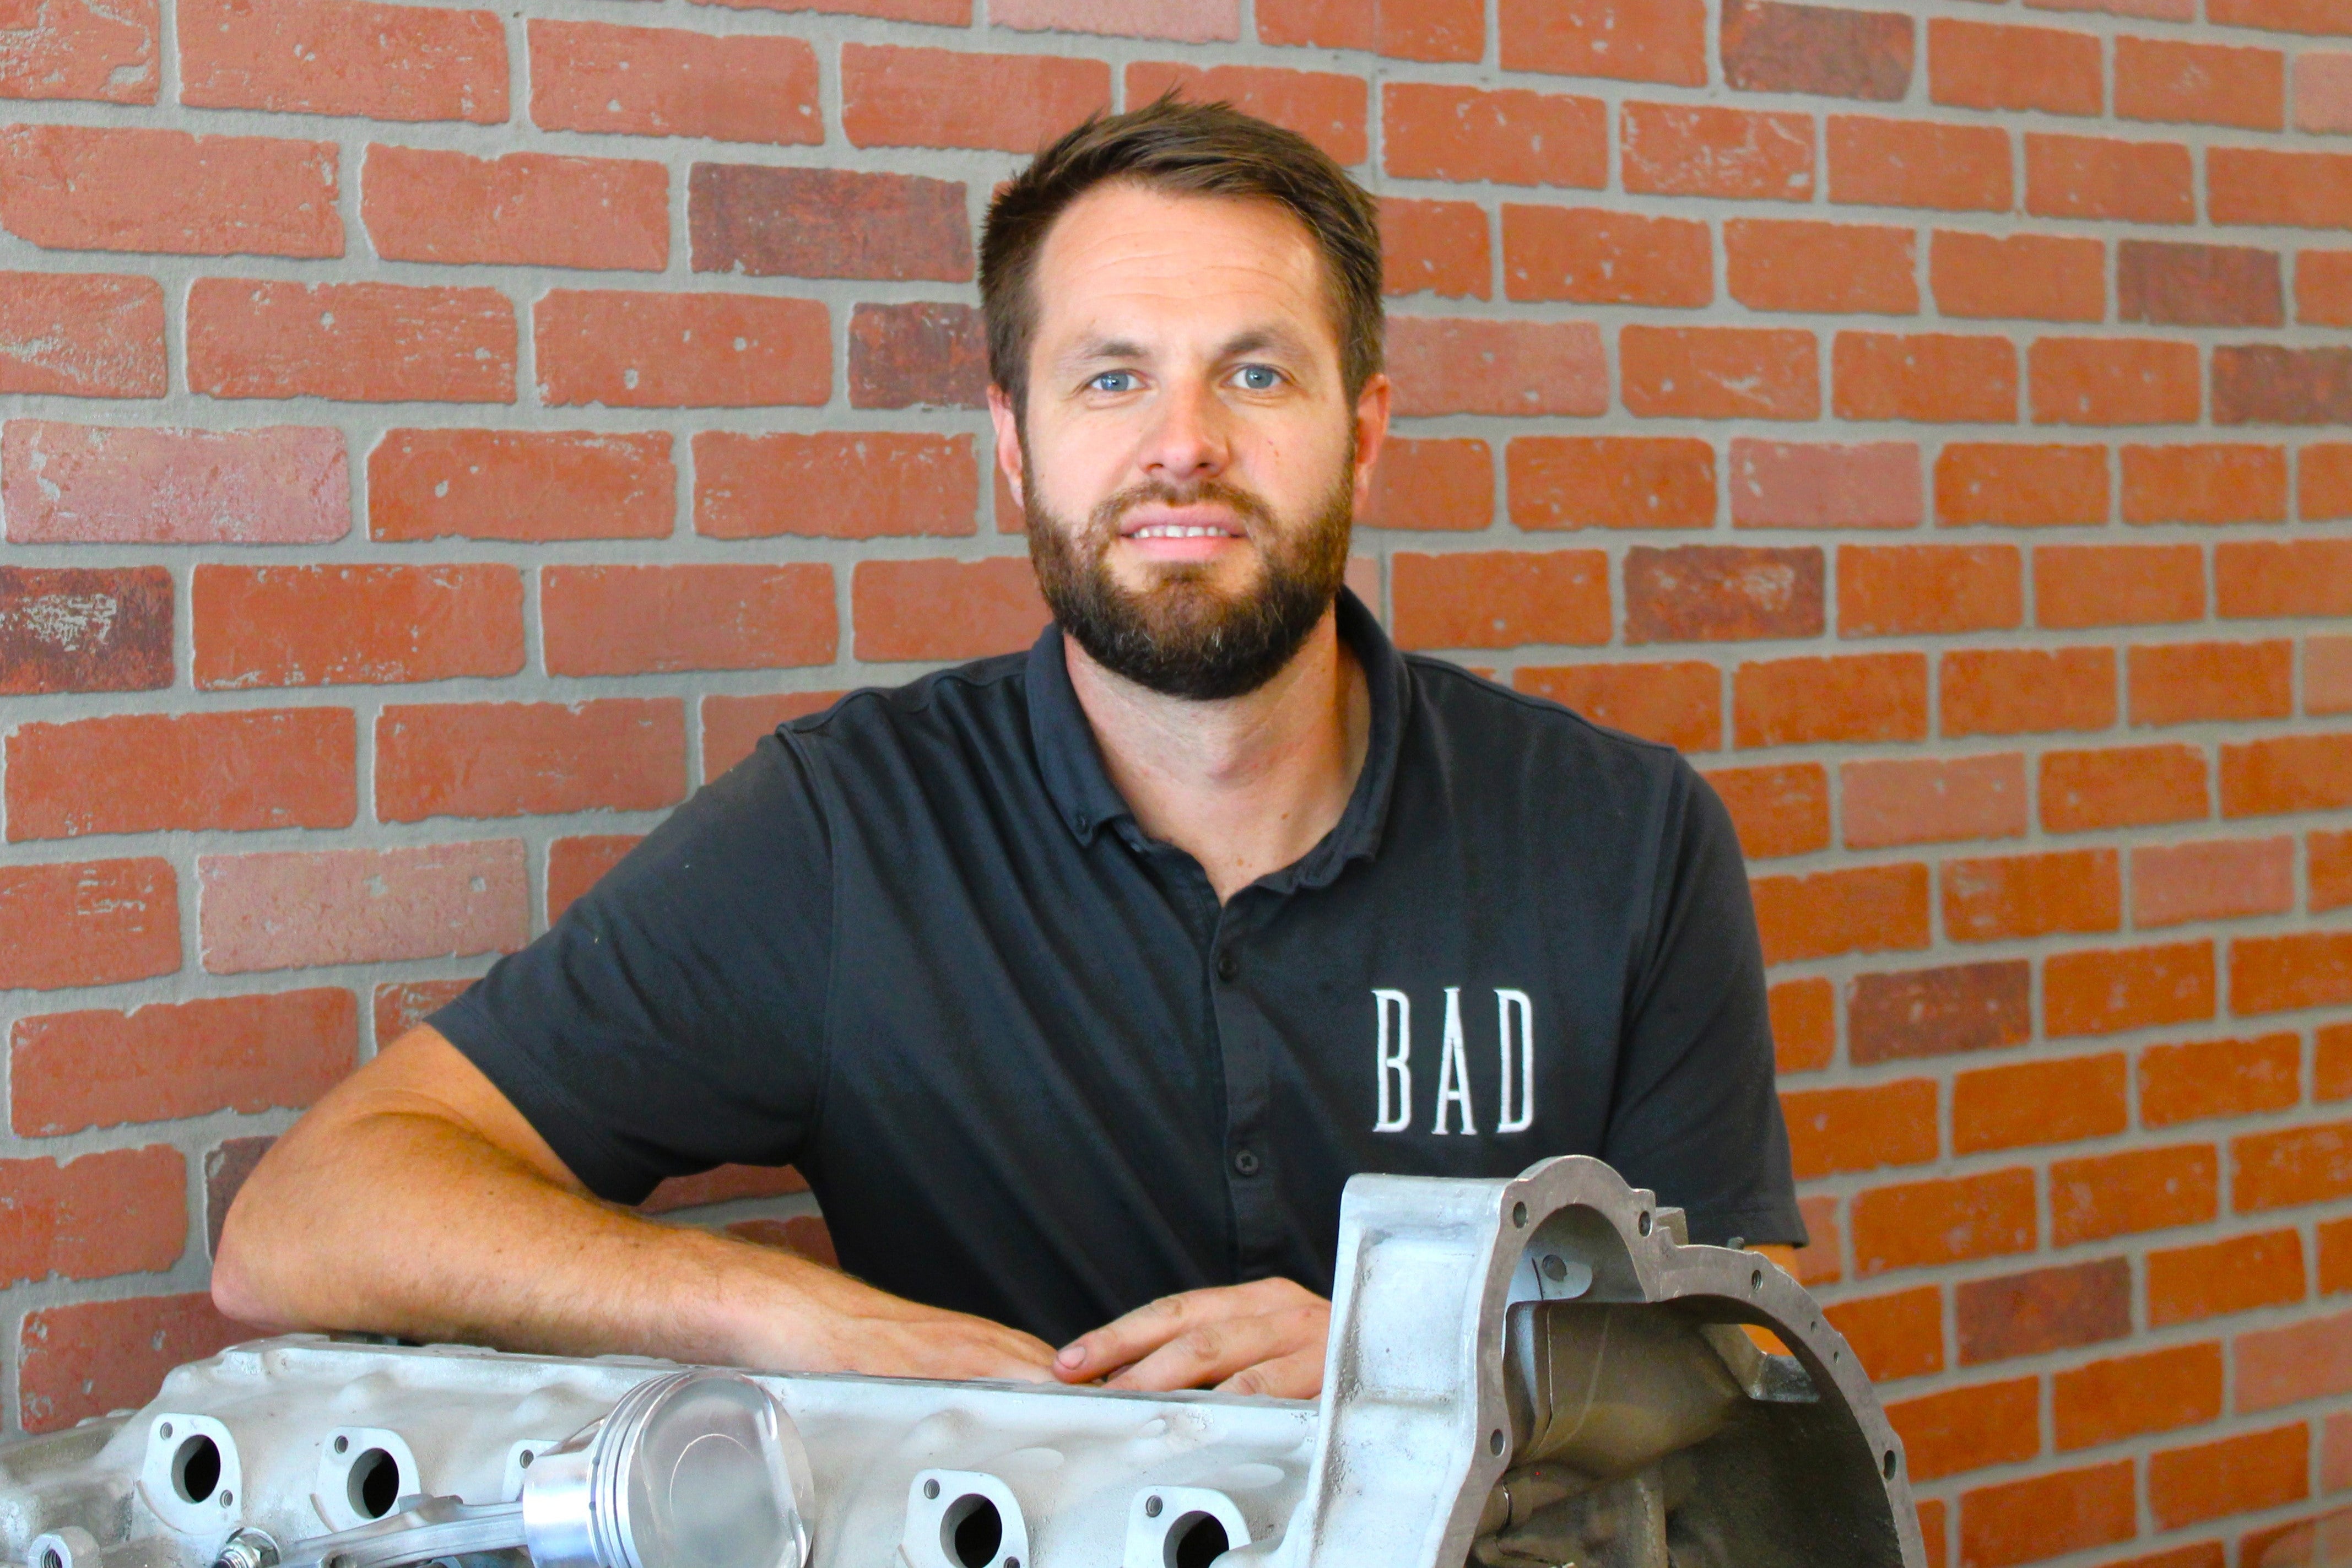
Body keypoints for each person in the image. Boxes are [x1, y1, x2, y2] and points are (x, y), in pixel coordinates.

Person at [213, 98, 1802, 1401]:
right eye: (1113, 377)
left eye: (1256, 371)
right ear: (1012, 442)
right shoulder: (853, 834)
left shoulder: (1621, 833)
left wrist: (1421, 1363)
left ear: (1365, 432)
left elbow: (1755, 1359)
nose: (1185, 440)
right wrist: (787, 1317)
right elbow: (305, 1218)